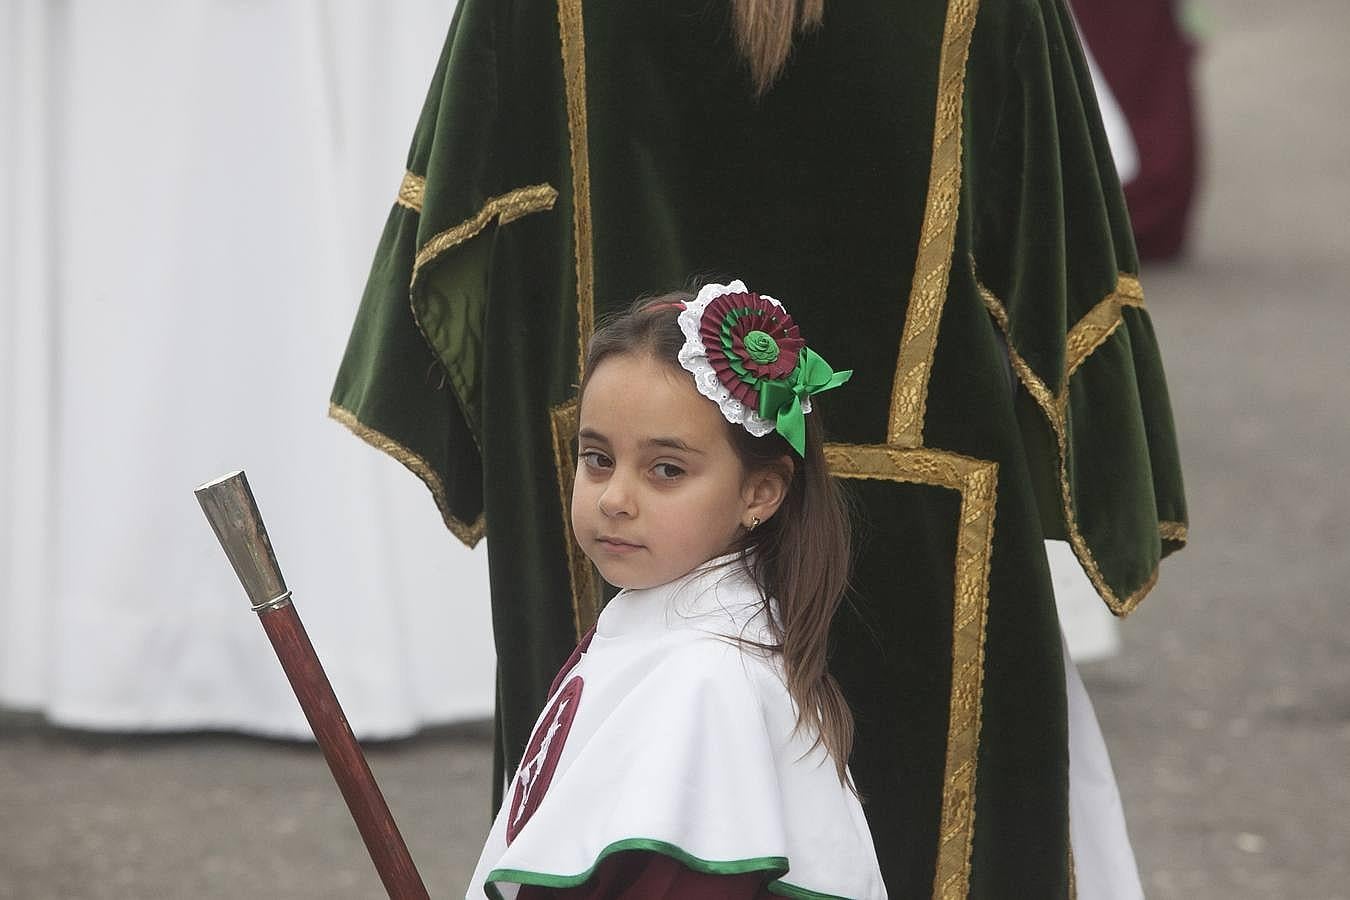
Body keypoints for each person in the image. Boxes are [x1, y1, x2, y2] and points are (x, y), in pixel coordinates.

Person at [333, 1, 1188, 894]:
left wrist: (570, 449)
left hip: (607, 490)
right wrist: (1113, 482)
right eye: (607, 467)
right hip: (935, 537)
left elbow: (461, 228)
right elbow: (1057, 260)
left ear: (767, 489)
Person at [466, 283, 886, 898]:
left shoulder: (707, 680)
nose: (613, 498)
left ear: (760, 492)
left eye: (667, 470)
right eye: (597, 458)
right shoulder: (654, 629)